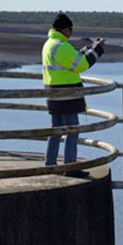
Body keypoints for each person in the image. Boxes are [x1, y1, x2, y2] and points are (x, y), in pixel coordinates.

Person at [41, 12, 105, 173]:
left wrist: (89, 48)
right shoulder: (61, 46)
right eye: (70, 29)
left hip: (52, 93)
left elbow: (73, 59)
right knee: (73, 131)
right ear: (64, 29)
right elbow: (81, 64)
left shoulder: (50, 43)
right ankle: (70, 167)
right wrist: (97, 50)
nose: (71, 33)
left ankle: (50, 163)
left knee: (56, 129)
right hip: (67, 94)